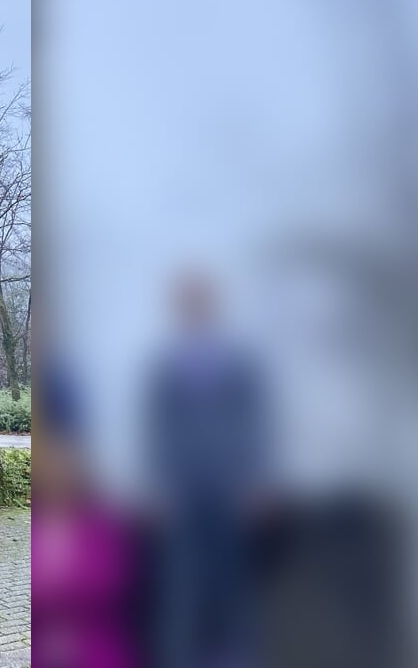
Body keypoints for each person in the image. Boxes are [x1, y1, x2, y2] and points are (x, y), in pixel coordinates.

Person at [144, 270, 269, 668]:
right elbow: (157, 430)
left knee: (236, 578)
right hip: (182, 490)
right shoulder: (165, 368)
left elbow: (257, 423)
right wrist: (160, 487)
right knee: (183, 580)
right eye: (189, 300)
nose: (196, 307)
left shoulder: (241, 364)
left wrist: (257, 482)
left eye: (202, 300)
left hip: (234, 487)